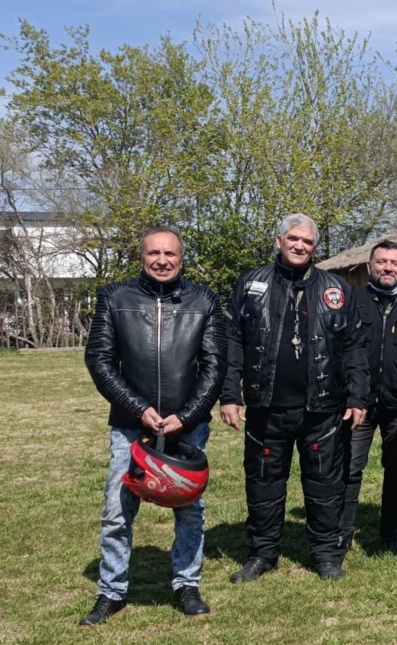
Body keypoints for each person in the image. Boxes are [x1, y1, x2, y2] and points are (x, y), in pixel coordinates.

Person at [82, 227, 227, 625]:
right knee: (117, 511)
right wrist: (137, 407)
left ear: (182, 258)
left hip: (187, 426)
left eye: (170, 253)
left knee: (189, 509)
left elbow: (215, 367)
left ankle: (186, 584)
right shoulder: (115, 297)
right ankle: (111, 591)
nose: (162, 260)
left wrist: (188, 415)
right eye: (153, 253)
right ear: (141, 256)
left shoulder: (204, 300)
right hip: (131, 425)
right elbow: (99, 360)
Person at [220, 214, 369, 583]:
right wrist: (229, 394)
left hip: (322, 408)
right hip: (265, 406)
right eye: (293, 239)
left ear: (315, 248)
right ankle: (262, 554)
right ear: (278, 240)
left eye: (307, 242)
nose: (300, 246)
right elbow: (232, 343)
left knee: (325, 486)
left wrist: (358, 397)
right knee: (263, 485)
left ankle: (326, 555)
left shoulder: (337, 288)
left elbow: (354, 347)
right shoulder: (251, 284)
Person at [341, 241, 397, 553]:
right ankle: (343, 533)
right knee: (349, 468)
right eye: (382, 262)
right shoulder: (351, 300)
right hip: (358, 402)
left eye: (395, 263)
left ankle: (390, 531)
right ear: (368, 267)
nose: (388, 267)